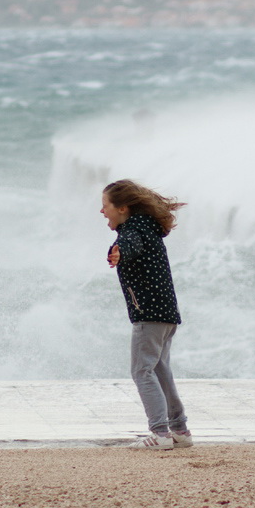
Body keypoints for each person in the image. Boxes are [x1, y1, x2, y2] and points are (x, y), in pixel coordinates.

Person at [101, 179, 192, 449]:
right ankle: (180, 431)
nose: (102, 211)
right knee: (160, 370)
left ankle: (160, 433)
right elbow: (134, 244)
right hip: (166, 313)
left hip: (149, 314)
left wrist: (120, 252)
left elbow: (132, 245)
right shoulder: (147, 227)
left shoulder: (133, 231)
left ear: (123, 208)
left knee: (142, 370)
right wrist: (118, 251)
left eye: (105, 206)